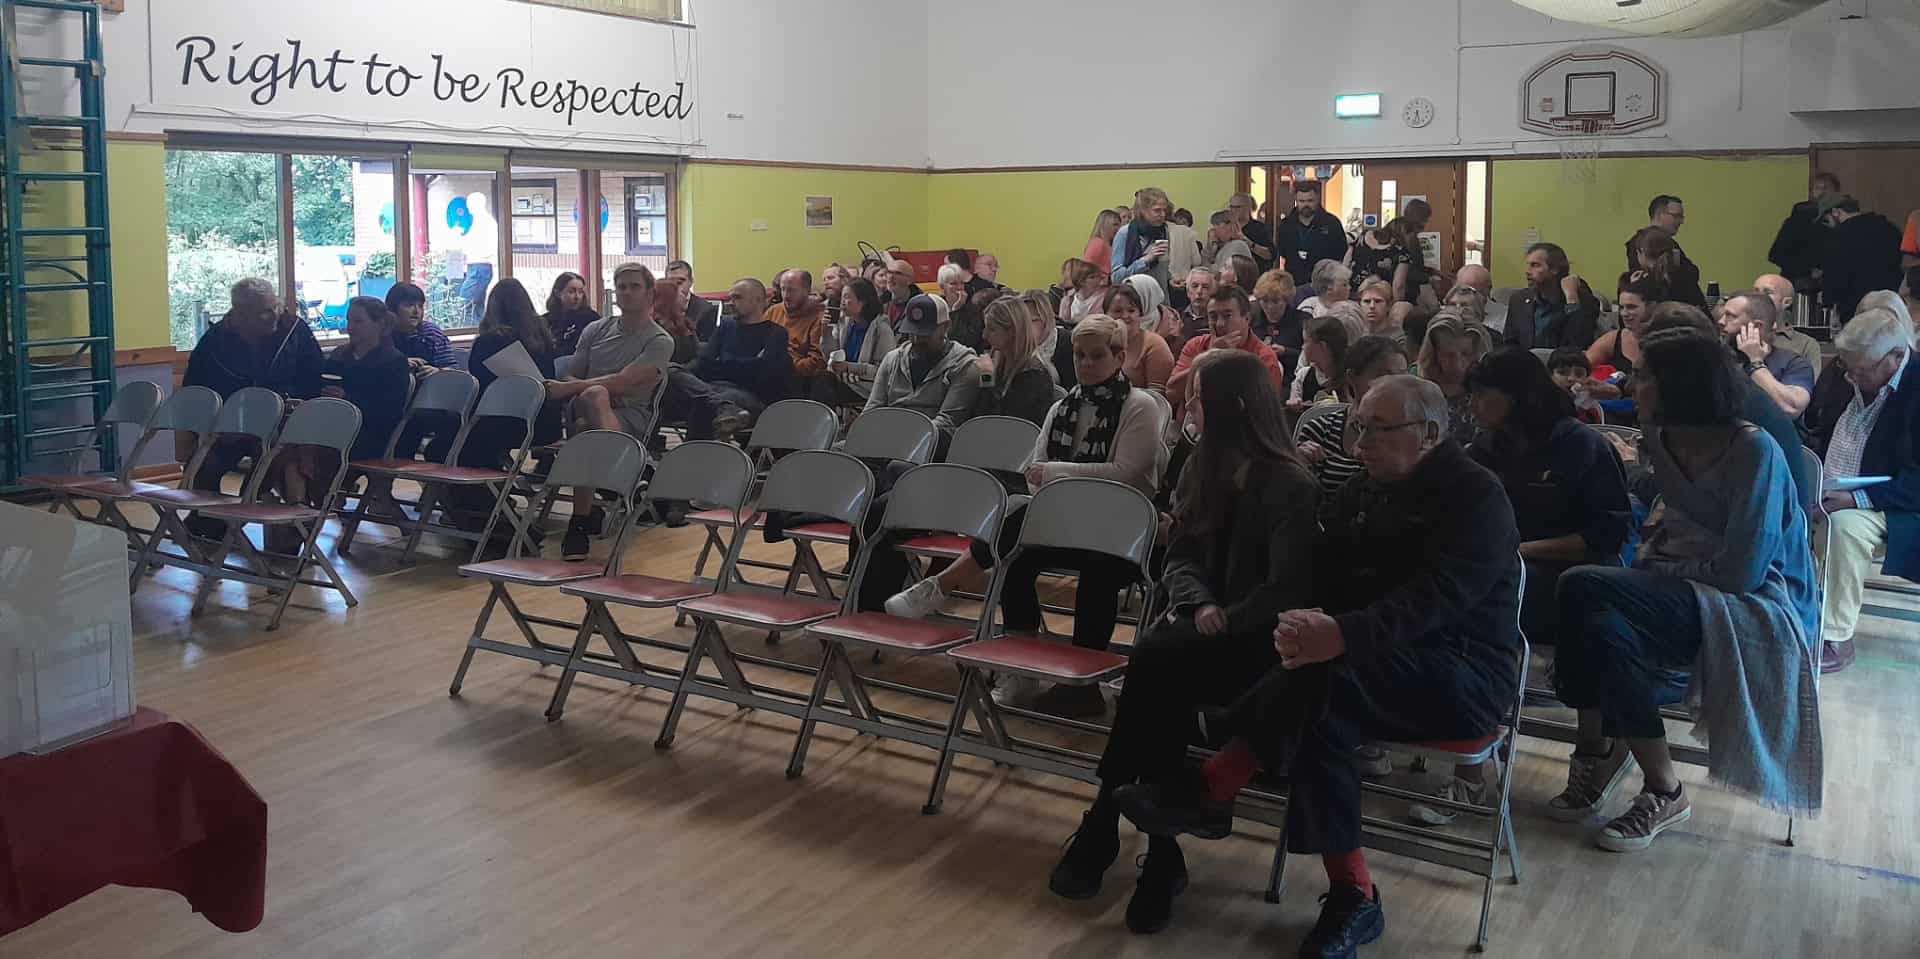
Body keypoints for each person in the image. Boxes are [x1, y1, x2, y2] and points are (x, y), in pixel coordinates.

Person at [1102, 374, 1522, 956]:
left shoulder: (1476, 496)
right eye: (1357, 428)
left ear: (1428, 434)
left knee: (1323, 680)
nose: (1358, 446)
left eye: (1376, 430)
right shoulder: (1364, 491)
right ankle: (1353, 895)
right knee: (1319, 704)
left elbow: (1439, 599)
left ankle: (1212, 784)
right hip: (1365, 668)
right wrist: (1297, 619)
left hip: (1463, 672)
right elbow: (1326, 571)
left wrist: (1340, 634)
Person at [1047, 348, 1319, 935]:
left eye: (1198, 396)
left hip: (1257, 646)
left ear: (1234, 407)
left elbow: (1288, 585)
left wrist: (1226, 616)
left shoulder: (1290, 483)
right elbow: (1183, 553)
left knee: (1152, 664)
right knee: (1157, 669)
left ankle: (1105, 826)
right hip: (1200, 629)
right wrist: (1198, 604)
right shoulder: (1203, 465)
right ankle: (1159, 856)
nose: (1187, 404)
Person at [1549, 329, 1820, 851]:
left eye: (1645, 374)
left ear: (1682, 385)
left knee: (1581, 584)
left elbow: (1744, 573)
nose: (1632, 381)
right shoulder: (1661, 436)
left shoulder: (1752, 449)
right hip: (1688, 588)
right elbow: (1673, 513)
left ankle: (1596, 748)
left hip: (1758, 605)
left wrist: (1657, 573)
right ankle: (1664, 787)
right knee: (1604, 627)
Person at [888, 315, 1168, 717]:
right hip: (1066, 519)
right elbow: (1032, 467)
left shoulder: (1139, 406)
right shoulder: (1063, 405)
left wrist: (1055, 473)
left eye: (1097, 356)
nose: (1086, 364)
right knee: (1014, 553)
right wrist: (1050, 477)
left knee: (1094, 570)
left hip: (1119, 528)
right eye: (1079, 355)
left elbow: (1126, 471)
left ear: (1120, 357)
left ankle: (943, 588)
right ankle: (1021, 672)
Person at [1403, 346, 1631, 826]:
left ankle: (1595, 749)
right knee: (1442, 605)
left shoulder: (1581, 446)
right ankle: (1470, 762)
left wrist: (1519, 552)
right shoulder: (1486, 449)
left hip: (1573, 576)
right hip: (1503, 575)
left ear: (1517, 397)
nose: (1474, 408)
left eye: (1484, 397)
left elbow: (1604, 537)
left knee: (1571, 614)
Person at [1807, 307, 1918, 675]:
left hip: (1902, 502)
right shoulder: (1850, 376)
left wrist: (1857, 498)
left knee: (1844, 526)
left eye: (1861, 370)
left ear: (1896, 357)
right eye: (1847, 366)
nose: (1852, 376)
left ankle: (1836, 637)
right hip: (1838, 487)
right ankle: (1800, 616)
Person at [543, 264, 675, 559]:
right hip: (584, 410)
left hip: (629, 418)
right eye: (622, 286)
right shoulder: (596, 329)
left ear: (650, 294)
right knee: (593, 396)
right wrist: (577, 388)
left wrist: (574, 389)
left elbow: (625, 382)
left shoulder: (660, 340)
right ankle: (617, 474)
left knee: (588, 426)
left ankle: (580, 522)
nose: (626, 292)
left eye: (634, 286)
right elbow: (570, 375)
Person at [669, 278, 791, 441]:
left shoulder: (775, 333)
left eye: (737, 298)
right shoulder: (726, 326)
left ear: (758, 300)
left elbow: (763, 375)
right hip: (713, 390)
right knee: (670, 370)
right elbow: (704, 363)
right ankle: (721, 410)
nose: (731, 303)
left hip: (749, 397)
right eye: (730, 298)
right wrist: (747, 363)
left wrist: (720, 363)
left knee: (703, 401)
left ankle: (697, 457)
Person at [1295, 335, 1408, 498]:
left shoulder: (1410, 434)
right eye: (1384, 377)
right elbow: (1303, 501)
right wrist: (1299, 466)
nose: (1396, 386)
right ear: (1352, 378)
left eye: (1402, 377)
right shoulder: (1319, 429)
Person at [864, 293, 982, 434]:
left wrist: (898, 436)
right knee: (836, 451)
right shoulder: (892, 359)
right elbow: (871, 411)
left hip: (930, 443)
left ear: (946, 327)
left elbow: (947, 422)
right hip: (884, 436)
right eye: (911, 332)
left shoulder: (964, 365)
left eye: (925, 334)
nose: (916, 339)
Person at [1166, 286, 1285, 410]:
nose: (1219, 324)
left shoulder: (1263, 357)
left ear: (1247, 318)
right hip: (1189, 426)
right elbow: (1171, 394)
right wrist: (1209, 357)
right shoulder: (1195, 345)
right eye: (1213, 317)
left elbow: (1265, 413)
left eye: (1227, 316)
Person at [1720, 290, 1813, 418]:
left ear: (1757, 326)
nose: (1721, 321)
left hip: (1773, 436)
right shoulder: (1717, 359)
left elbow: (1791, 409)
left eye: (1730, 316)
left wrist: (1756, 363)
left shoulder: (1793, 363)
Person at [969, 292, 1058, 424]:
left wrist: (986, 378)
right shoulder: (1001, 363)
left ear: (1013, 331)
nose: (984, 336)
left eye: (992, 329)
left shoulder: (1034, 376)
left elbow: (998, 422)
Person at [1821, 197, 1905, 323]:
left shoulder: (1840, 235)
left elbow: (1835, 273)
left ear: (1835, 212)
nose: (1827, 225)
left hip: (1854, 307)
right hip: (1889, 304)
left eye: (1826, 220)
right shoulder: (1891, 229)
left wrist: (1828, 300)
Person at [1504, 242, 1600, 351]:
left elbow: (1578, 342)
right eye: (1528, 265)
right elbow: (1509, 343)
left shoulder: (1583, 300)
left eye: (1535, 265)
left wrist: (1571, 298)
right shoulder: (1518, 300)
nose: (1528, 271)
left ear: (1555, 269)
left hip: (1564, 365)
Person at [1111, 187, 1203, 300]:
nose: (1163, 214)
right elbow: (1116, 277)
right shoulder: (1125, 233)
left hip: (1160, 300)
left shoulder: (1163, 230)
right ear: (1143, 211)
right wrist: (1145, 260)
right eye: (1157, 210)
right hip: (1134, 301)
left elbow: (1160, 267)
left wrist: (1170, 280)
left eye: (1164, 210)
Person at [1416, 309, 1492, 444]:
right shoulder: (1415, 390)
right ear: (1433, 354)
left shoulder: (1492, 392)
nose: (1457, 364)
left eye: (1466, 354)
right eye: (1447, 355)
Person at [1583, 275, 1660, 399]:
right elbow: (1579, 367)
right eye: (1621, 307)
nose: (1624, 313)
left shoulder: (1668, 340)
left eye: (1631, 307)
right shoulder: (1612, 339)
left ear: (1652, 306)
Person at [821, 277, 896, 403]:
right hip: (845, 379)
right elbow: (829, 355)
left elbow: (884, 371)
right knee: (818, 379)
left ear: (862, 302)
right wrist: (826, 333)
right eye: (842, 298)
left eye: (847, 298)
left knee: (823, 387)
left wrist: (849, 367)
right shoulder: (845, 323)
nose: (842, 303)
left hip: (866, 387)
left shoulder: (882, 329)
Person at [1769, 172, 1842, 293]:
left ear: (1837, 192)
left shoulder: (1842, 219)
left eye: (1826, 188)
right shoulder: (1798, 218)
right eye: (1818, 188)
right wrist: (1809, 270)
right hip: (1799, 282)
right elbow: (1777, 254)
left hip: (1833, 282)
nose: (1822, 193)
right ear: (1812, 192)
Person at [765, 269, 829, 399]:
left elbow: (817, 362)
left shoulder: (820, 316)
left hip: (797, 379)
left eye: (792, 290)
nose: (786, 295)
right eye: (783, 289)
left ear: (807, 290)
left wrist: (783, 366)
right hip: (766, 369)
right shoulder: (774, 311)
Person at [1273, 179, 1349, 289]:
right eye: (1301, 201)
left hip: (1326, 284)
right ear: (1296, 200)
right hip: (1294, 283)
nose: (1305, 205)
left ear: (1317, 199)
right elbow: (1281, 254)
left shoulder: (1332, 223)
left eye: (1310, 201)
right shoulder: (1286, 225)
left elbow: (1342, 254)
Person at [1623, 195, 1700, 299]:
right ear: (1659, 215)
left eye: (1681, 217)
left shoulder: (1671, 243)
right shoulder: (1639, 243)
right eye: (1676, 216)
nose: (1681, 221)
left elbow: (1692, 274)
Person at [1102, 284, 1176, 391]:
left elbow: (1158, 395)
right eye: (1118, 311)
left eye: (1131, 311)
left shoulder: (1154, 345)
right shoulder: (1099, 340)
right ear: (1106, 314)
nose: (1125, 316)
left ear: (1140, 314)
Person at [1754, 272, 1822, 375]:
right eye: (1755, 291)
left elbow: (1809, 386)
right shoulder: (1737, 335)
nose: (1758, 296)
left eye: (1767, 292)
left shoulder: (1806, 344)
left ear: (1786, 302)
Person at [384, 281, 455, 373]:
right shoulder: (380, 333)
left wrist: (438, 371)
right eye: (409, 305)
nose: (416, 311)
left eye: (420, 306)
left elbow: (453, 369)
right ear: (392, 308)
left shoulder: (431, 332)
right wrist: (398, 363)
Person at [1627, 227, 1706, 309]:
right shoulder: (1685, 273)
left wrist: (1634, 289)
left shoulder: (1646, 283)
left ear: (1641, 251)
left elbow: (1639, 316)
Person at [1251, 269, 1308, 382]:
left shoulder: (1303, 321)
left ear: (1287, 300)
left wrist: (1286, 352)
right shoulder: (1251, 319)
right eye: (1265, 301)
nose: (1270, 306)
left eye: (1276, 301)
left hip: (1290, 379)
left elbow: (1311, 357)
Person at [1287, 314, 1351, 410]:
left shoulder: (1351, 375)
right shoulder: (1304, 375)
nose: (1302, 347)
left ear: (1322, 346)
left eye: (1305, 341)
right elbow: (1294, 403)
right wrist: (1294, 406)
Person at [1348, 222, 1414, 305]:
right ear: (1406, 234)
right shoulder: (1401, 251)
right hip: (1376, 299)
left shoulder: (1362, 237)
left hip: (1351, 294)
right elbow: (1399, 285)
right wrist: (1396, 306)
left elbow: (1345, 264)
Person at [544, 271, 599, 358]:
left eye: (580, 292)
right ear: (558, 293)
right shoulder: (545, 320)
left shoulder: (591, 318)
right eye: (571, 292)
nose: (577, 297)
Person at [665, 260, 720, 341]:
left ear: (691, 282)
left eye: (681, 281)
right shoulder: (658, 307)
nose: (675, 285)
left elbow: (704, 346)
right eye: (670, 281)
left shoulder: (706, 310)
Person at [1548, 348, 1604, 424]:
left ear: (1587, 378)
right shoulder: (1542, 403)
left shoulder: (1591, 407)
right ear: (1550, 376)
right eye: (1562, 373)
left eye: (1579, 374)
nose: (1571, 378)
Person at [1227, 191, 1276, 272]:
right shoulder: (1226, 226)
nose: (1233, 210)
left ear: (1248, 207)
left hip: (1255, 275)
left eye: (1237, 207)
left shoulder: (1259, 228)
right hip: (1231, 275)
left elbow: (1270, 254)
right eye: (1231, 207)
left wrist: (1247, 242)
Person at [1453, 264, 1508, 334]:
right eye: (1463, 291)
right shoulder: (1447, 313)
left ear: (1488, 289)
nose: (1469, 297)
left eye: (1474, 292)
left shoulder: (1506, 315)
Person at [1354, 278, 1405, 352]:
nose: (1372, 306)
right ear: (1360, 304)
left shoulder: (1398, 338)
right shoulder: (1355, 334)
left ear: (1389, 305)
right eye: (1367, 301)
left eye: (1378, 301)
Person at [1058, 258, 1108, 326]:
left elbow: (1098, 321)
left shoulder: (1102, 297)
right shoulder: (1067, 299)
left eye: (1099, 276)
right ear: (1081, 281)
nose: (1098, 279)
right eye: (1092, 277)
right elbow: (1062, 322)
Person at [881, 258, 921, 325]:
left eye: (897, 273)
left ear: (910, 280)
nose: (891, 277)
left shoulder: (920, 304)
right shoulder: (880, 302)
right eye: (889, 272)